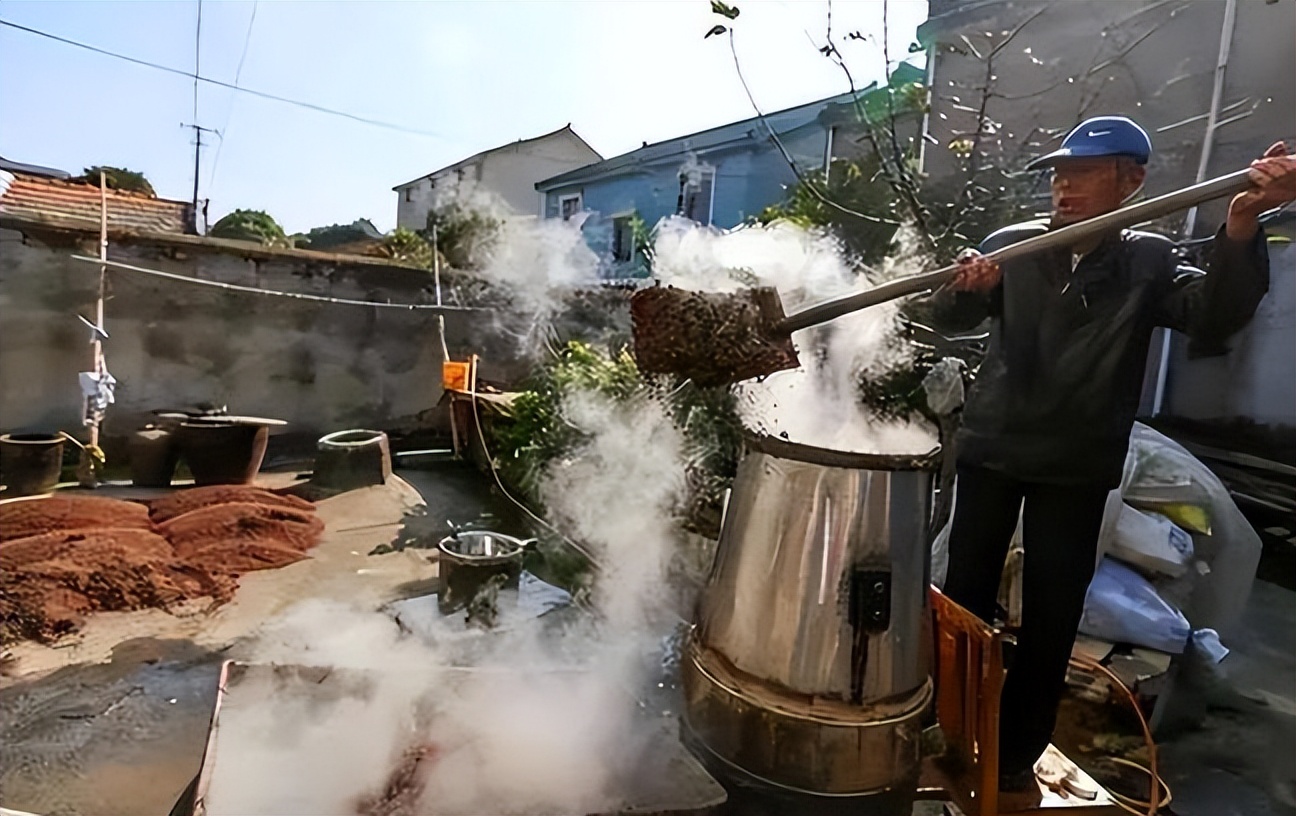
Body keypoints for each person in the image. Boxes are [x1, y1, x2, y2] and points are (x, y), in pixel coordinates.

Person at [928, 116, 1296, 793]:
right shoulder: (1011, 246)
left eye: (1085, 175)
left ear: (1132, 182)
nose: (1064, 188)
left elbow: (1212, 315)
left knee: (1052, 611)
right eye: (1060, 176)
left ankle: (1013, 756)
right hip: (994, 446)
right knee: (964, 598)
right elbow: (947, 316)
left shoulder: (1148, 259)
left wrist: (1242, 220)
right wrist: (964, 290)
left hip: (1076, 459)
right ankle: (946, 728)